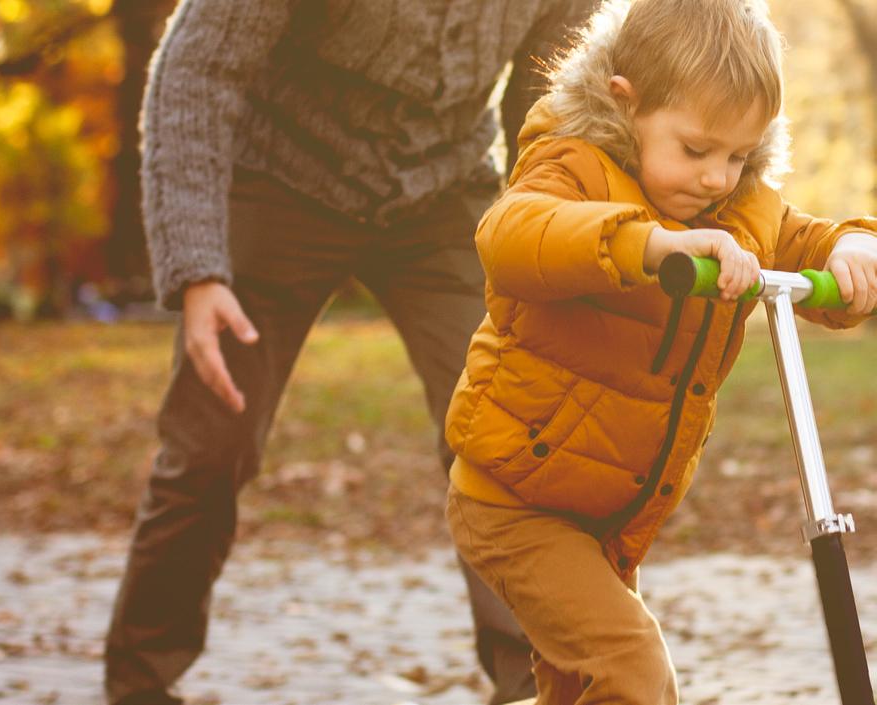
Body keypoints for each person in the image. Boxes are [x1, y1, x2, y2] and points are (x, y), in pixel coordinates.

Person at [103, 1, 601, 704]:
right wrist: (198, 270)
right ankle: (139, 681)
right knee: (213, 440)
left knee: (509, 428)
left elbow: (547, 102)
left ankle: (533, 682)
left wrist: (558, 242)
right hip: (279, 177)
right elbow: (197, 67)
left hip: (442, 189)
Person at [443, 0, 877, 702]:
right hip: (517, 501)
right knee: (632, 671)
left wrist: (855, 246)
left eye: (738, 156)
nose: (716, 177)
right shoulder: (570, 166)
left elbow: (806, 244)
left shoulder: (743, 210)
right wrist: (650, 246)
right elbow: (514, 234)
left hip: (611, 519)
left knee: (580, 685)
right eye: (697, 149)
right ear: (627, 103)